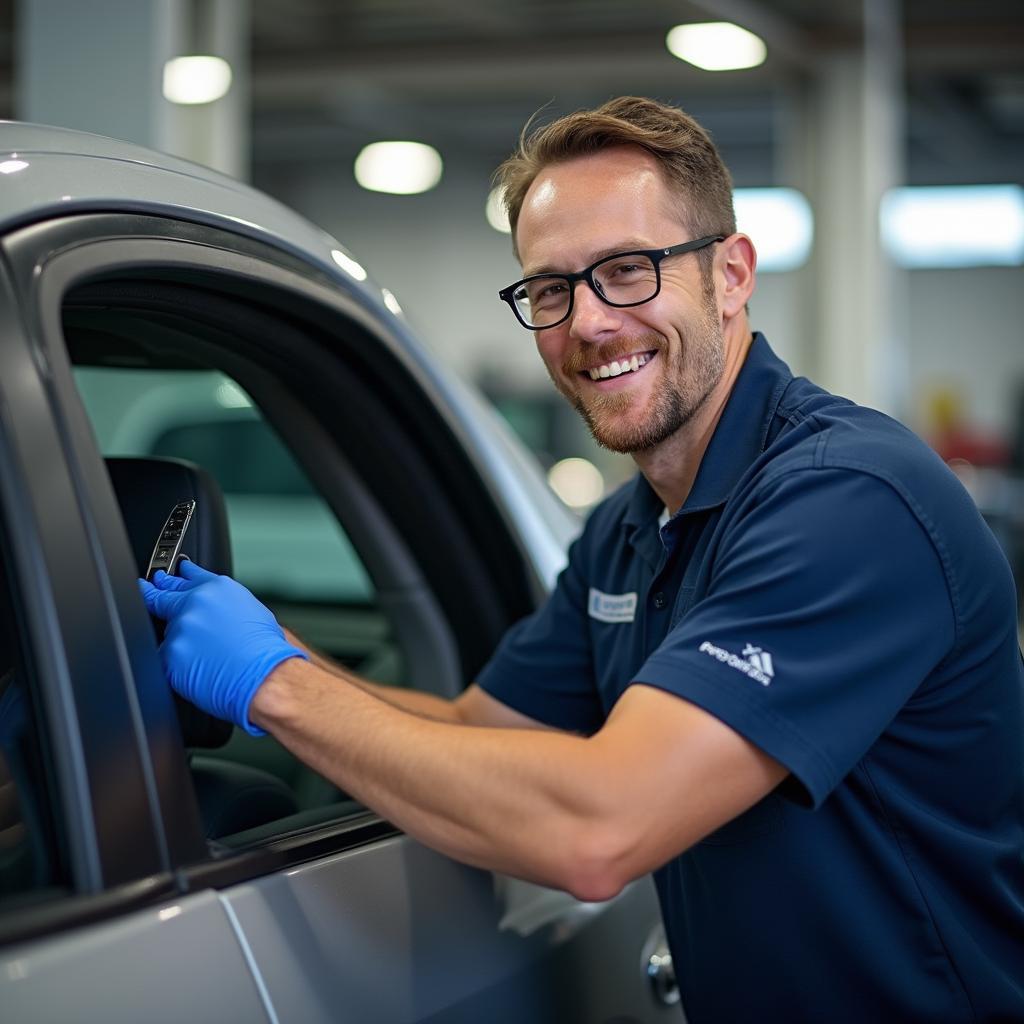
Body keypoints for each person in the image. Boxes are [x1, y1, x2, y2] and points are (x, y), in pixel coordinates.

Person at [140, 97, 1024, 1022]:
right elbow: (477, 728)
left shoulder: (850, 502)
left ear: (731, 275)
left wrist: (273, 685)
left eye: (628, 272)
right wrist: (265, 647)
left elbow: (599, 830)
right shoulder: (629, 529)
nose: (589, 324)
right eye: (551, 289)